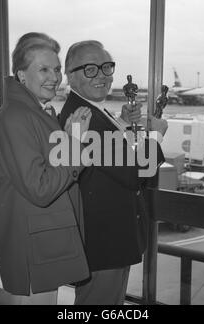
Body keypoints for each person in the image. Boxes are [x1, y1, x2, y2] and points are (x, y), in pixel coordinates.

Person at [0, 33, 92, 305]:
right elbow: (40, 188)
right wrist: (76, 144)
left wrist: (67, 138)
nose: (54, 77)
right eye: (43, 69)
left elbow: (49, 164)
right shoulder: (15, 117)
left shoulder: (39, 112)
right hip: (33, 248)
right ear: (21, 75)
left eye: (56, 69)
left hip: (44, 240)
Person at [59, 40, 168, 305]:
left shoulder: (87, 112)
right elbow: (135, 173)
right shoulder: (83, 117)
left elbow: (104, 155)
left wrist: (121, 122)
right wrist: (157, 134)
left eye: (106, 67)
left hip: (105, 234)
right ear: (70, 76)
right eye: (90, 69)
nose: (103, 76)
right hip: (105, 239)